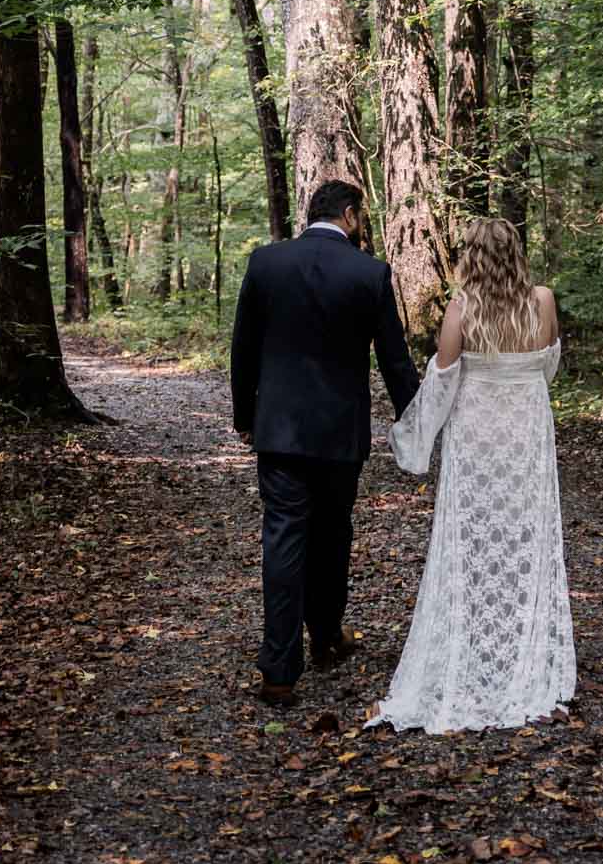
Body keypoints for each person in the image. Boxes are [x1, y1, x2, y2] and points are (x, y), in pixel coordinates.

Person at [370, 215, 575, 733]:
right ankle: (518, 645)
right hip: (527, 434)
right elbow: (548, 367)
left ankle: (479, 638)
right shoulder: (544, 301)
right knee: (524, 533)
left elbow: (441, 379)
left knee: (475, 537)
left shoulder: (462, 309)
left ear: (471, 256)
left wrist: (413, 438)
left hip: (477, 435)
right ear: (517, 253)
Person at [229, 177, 419, 704]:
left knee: (283, 537)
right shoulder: (370, 272)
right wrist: (417, 422)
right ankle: (327, 638)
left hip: (280, 430)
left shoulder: (266, 263)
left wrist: (246, 415)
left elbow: (243, 350)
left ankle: (279, 669)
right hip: (340, 432)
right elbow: (395, 360)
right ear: (351, 216)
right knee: (333, 534)